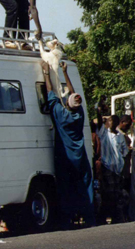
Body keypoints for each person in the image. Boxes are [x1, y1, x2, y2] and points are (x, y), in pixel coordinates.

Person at [41, 60, 94, 228]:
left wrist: (46, 73)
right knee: (85, 185)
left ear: (68, 104)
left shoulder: (60, 115)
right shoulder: (79, 115)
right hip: (80, 157)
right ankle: (89, 216)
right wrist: (65, 72)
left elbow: (50, 91)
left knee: (65, 188)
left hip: (65, 158)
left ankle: (67, 219)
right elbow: (73, 93)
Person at [96, 114, 129, 224]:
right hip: (108, 167)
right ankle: (104, 218)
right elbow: (100, 123)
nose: (112, 122)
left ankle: (116, 217)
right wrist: (99, 110)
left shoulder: (120, 136)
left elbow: (125, 151)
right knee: (109, 194)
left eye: (114, 121)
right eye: (110, 120)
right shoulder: (104, 134)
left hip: (118, 169)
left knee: (117, 194)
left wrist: (123, 165)